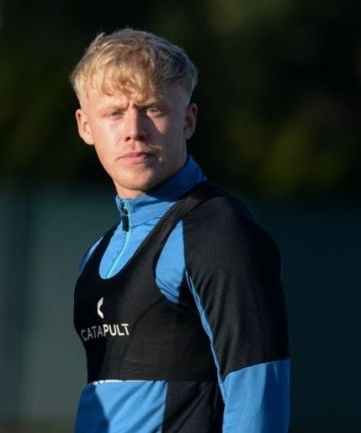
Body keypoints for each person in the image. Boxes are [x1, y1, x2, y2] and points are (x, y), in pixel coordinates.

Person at [69, 28, 290, 432]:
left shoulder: (220, 232)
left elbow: (258, 393)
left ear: (188, 121)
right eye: (114, 113)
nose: (134, 129)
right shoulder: (98, 251)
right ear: (85, 126)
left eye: (153, 109)